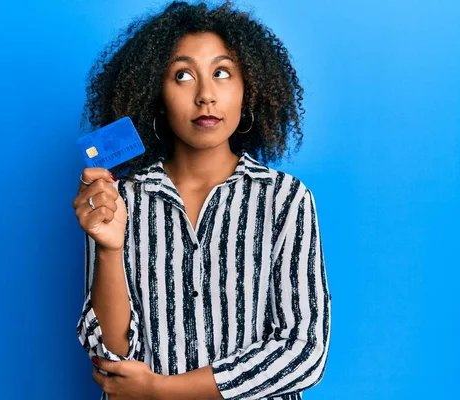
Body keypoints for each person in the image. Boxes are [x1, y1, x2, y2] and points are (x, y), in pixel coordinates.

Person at [73, 1, 331, 399]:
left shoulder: (285, 200)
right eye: (183, 76)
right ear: (156, 93)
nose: (206, 95)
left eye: (222, 73)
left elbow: (304, 352)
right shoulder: (116, 201)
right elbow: (112, 356)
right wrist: (110, 248)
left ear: (250, 88)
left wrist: (164, 391)